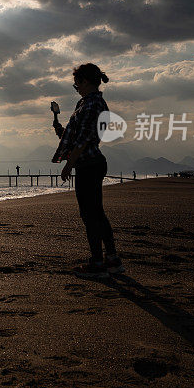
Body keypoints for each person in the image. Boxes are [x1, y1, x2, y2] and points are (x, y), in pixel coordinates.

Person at [52, 63, 123, 279]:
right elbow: (76, 137)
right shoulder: (88, 102)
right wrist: (58, 125)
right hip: (91, 163)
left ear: (85, 81)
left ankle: (98, 263)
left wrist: (68, 164)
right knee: (97, 213)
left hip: (89, 164)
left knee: (90, 215)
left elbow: (82, 141)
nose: (77, 89)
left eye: (77, 85)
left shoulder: (92, 104)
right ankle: (111, 260)